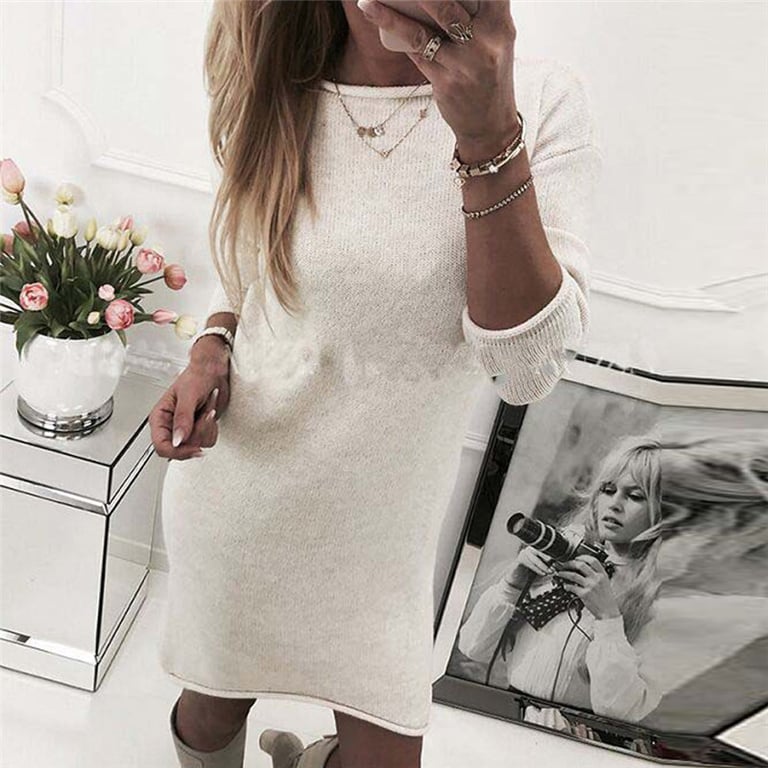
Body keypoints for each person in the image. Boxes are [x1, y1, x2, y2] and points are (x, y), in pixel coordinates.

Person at [148, 1, 602, 767]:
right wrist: (211, 347)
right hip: (243, 501)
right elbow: (248, 266)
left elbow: (525, 371)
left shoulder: (541, 101)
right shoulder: (279, 84)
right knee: (211, 713)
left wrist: (488, 137)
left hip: (383, 538)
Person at [457, 429, 768, 732]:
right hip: (509, 721)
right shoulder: (560, 554)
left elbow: (621, 709)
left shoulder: (660, 598)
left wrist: (608, 618)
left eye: (635, 496)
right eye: (608, 490)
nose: (615, 504)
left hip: (579, 739)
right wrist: (512, 584)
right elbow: (473, 648)